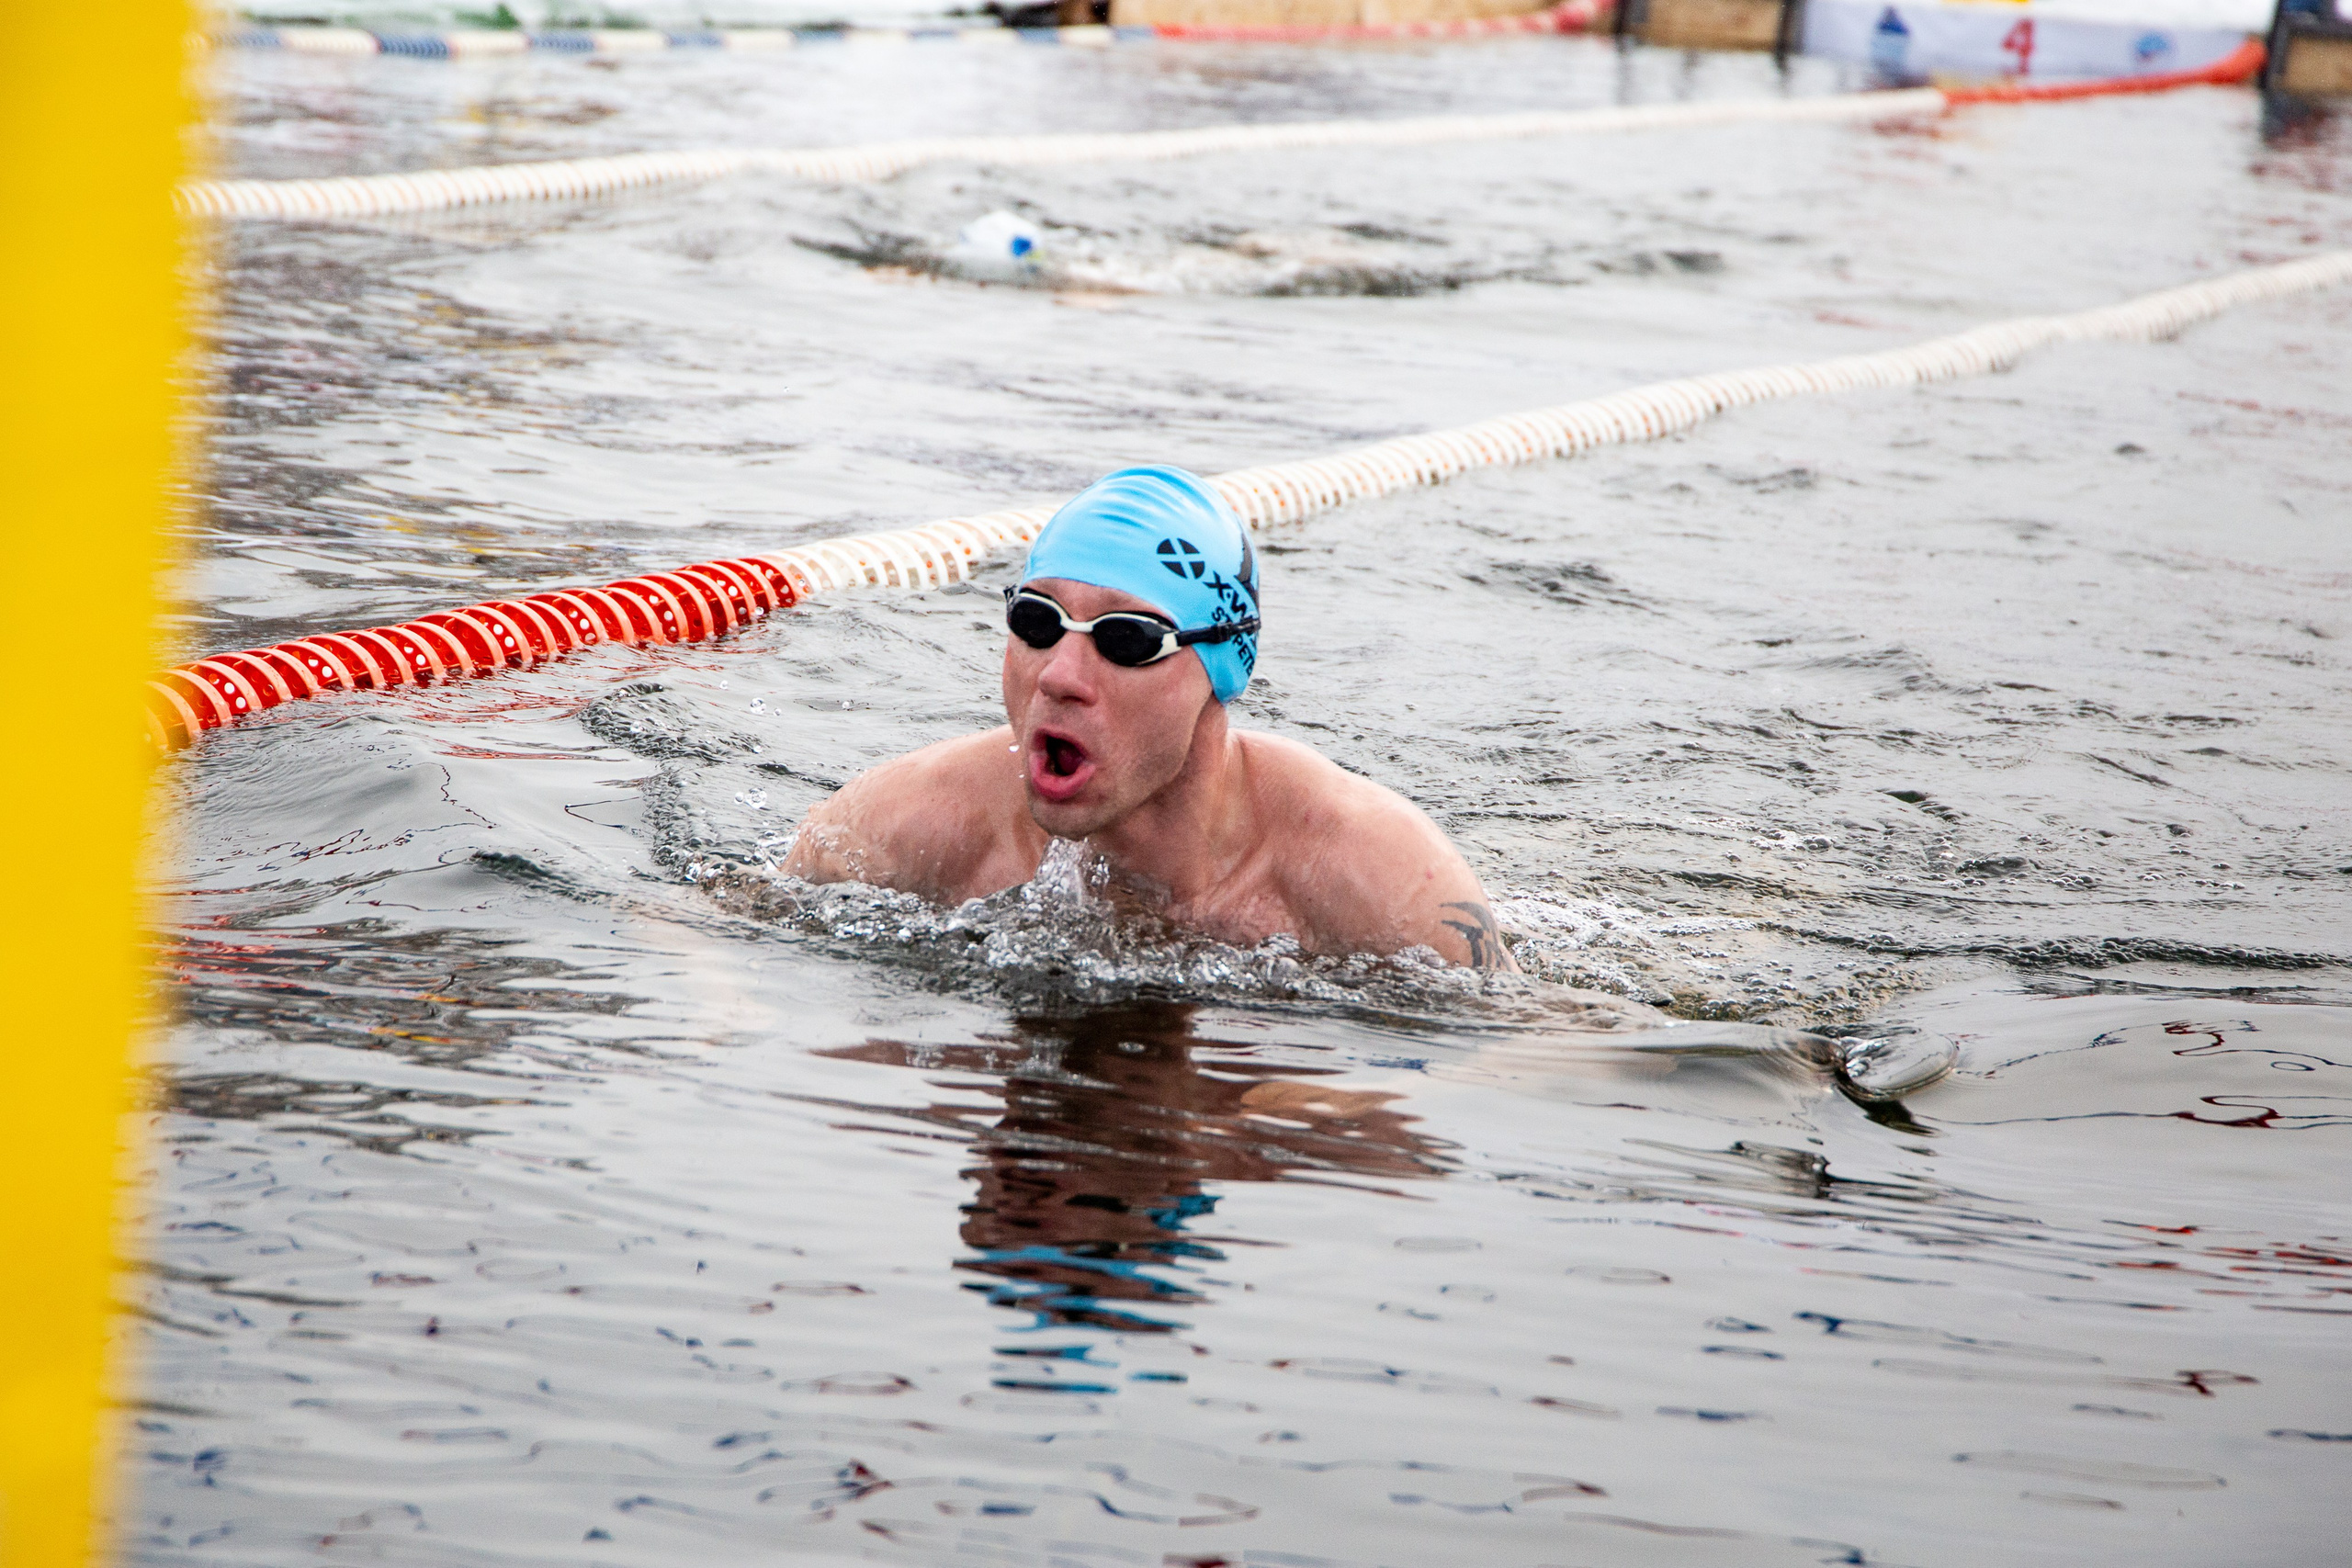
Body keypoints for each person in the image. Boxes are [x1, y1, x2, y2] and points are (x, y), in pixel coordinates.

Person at [782, 464, 1520, 970]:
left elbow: (1528, 1053)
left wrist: (1339, 1108)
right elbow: (726, 926)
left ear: (1218, 671)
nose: (1061, 676)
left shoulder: (1382, 879)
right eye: (1040, 622)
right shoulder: (906, 822)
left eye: (1127, 639)